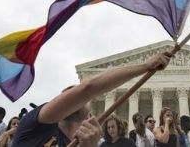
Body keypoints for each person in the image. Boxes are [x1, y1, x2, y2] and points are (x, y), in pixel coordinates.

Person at [13, 51, 172, 147]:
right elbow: (88, 88)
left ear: (90, 117)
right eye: (68, 95)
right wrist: (146, 66)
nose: (73, 93)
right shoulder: (36, 125)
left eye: (78, 96)